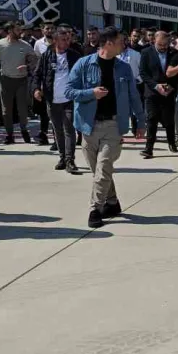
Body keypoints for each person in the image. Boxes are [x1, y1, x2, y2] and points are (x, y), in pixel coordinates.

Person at [65, 27, 145, 228]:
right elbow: (68, 91)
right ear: (109, 43)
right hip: (87, 125)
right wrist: (91, 93)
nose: (123, 45)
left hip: (113, 125)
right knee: (100, 171)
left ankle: (95, 209)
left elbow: (134, 96)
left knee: (103, 169)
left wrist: (141, 123)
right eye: (120, 41)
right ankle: (112, 202)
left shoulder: (124, 68)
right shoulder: (84, 64)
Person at [33, 25, 82, 172]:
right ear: (55, 40)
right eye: (63, 39)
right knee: (57, 130)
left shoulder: (74, 55)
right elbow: (37, 74)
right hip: (52, 99)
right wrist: (36, 89)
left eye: (68, 39)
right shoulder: (47, 56)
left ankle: (70, 160)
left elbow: (82, 75)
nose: (67, 42)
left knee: (69, 130)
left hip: (69, 99)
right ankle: (62, 157)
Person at [0, 19, 38, 144]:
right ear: (10, 30)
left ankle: (24, 130)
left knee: (22, 108)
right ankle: (9, 134)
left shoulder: (25, 45)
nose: (21, 32)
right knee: (6, 110)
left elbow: (35, 60)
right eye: (18, 30)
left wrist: (27, 66)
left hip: (22, 81)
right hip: (6, 80)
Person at [139, 30, 178, 158]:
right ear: (154, 41)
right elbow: (143, 73)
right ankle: (148, 148)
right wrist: (156, 86)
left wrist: (171, 86)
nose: (163, 47)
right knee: (151, 120)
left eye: (165, 45)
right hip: (152, 93)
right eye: (160, 45)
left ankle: (172, 142)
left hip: (169, 92)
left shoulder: (174, 53)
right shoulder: (146, 53)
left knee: (169, 120)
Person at [32, 21, 57, 146]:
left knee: (55, 112)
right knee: (43, 112)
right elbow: (38, 62)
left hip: (56, 80)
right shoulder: (38, 44)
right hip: (44, 80)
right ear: (43, 30)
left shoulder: (58, 42)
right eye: (47, 28)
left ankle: (57, 139)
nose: (50, 31)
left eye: (52, 28)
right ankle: (43, 135)